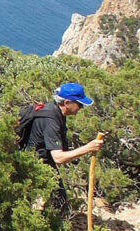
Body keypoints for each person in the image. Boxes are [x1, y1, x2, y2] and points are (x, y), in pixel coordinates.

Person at [24, 83, 104, 213]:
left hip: (41, 161)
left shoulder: (56, 112)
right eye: (79, 103)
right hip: (34, 164)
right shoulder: (51, 120)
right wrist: (88, 148)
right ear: (67, 103)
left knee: (59, 201)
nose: (81, 107)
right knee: (57, 204)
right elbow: (59, 158)